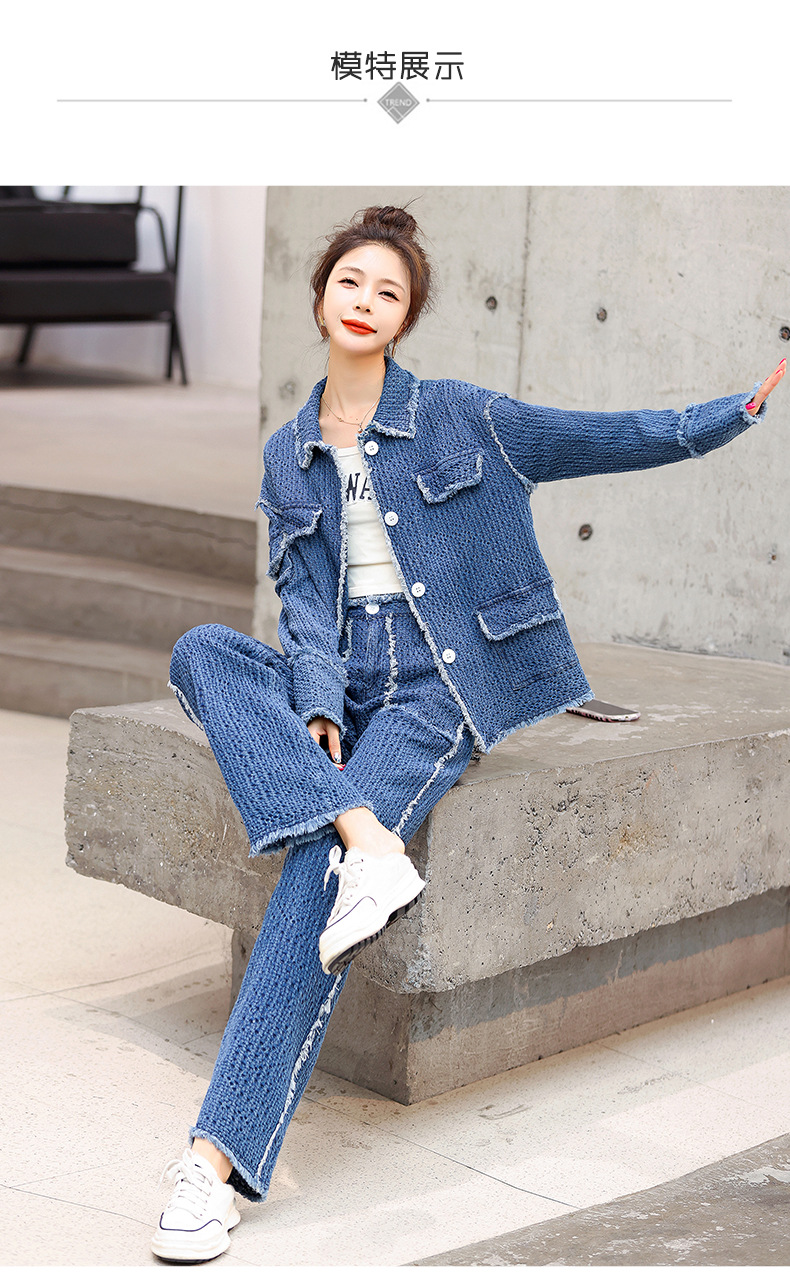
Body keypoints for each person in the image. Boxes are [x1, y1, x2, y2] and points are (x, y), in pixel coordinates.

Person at [151, 203, 785, 1262]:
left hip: (432, 688)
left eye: (387, 292)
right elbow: (301, 601)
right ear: (319, 296)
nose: (364, 301)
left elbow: (608, 436)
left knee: (312, 882)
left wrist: (736, 412)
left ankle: (210, 1165)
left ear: (404, 320)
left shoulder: (460, 415)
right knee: (202, 650)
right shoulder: (286, 453)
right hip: (346, 681)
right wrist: (315, 706)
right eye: (350, 282)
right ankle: (366, 835)